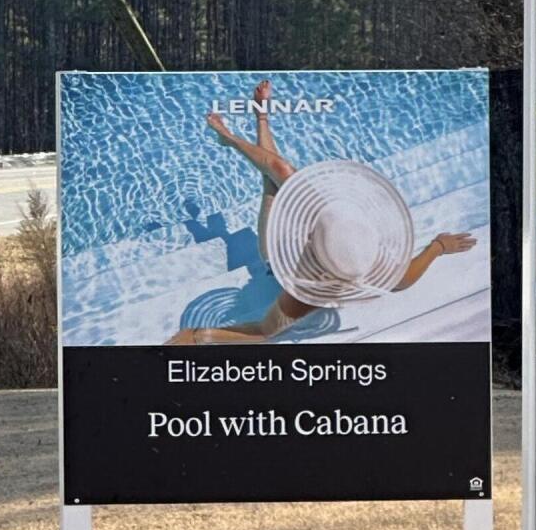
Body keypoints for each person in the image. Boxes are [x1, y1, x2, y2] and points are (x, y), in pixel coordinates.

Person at [167, 79, 475, 344]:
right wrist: (438, 247)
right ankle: (256, 121)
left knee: (273, 182)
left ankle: (234, 135)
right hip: (325, 240)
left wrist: (197, 336)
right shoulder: (360, 251)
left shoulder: (303, 293)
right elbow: (404, 278)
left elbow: (264, 332)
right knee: (280, 172)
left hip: (277, 259)